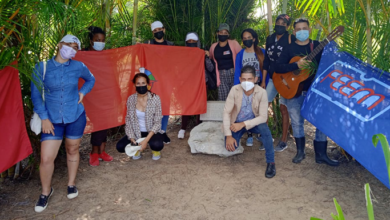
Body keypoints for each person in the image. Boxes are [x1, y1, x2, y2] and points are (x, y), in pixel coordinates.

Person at [31, 35, 95, 212]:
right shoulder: (42, 67)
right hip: (51, 120)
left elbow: (91, 79)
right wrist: (44, 117)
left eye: (75, 47)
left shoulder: (78, 66)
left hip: (75, 116)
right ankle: (45, 192)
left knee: (72, 149)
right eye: (69, 45)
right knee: (46, 158)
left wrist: (82, 93)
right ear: (59, 45)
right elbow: (36, 95)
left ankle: (71, 184)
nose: (71, 49)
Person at [274, 18, 339, 166]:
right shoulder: (288, 48)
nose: (302, 31)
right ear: (294, 31)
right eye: (298, 29)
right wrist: (296, 64)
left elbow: (330, 65)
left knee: (321, 122)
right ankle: (300, 152)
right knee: (297, 123)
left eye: (305, 28)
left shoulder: (317, 46)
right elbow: (278, 68)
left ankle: (321, 154)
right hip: (294, 91)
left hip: (315, 91)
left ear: (309, 30)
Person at [223, 65, 276, 178]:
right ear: (240, 79)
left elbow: (262, 117)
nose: (246, 82)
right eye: (244, 79)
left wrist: (243, 124)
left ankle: (271, 162)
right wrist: (228, 136)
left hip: (253, 123)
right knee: (231, 148)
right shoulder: (234, 90)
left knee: (265, 130)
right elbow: (226, 113)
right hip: (237, 123)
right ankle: (239, 135)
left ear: (256, 79)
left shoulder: (262, 92)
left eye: (250, 79)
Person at [262, 14, 295, 152]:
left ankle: (283, 140)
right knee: (264, 106)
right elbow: (266, 61)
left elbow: (295, 58)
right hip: (271, 78)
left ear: (287, 26)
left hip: (286, 79)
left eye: (284, 23)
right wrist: (263, 80)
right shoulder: (270, 38)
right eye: (278, 22)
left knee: (283, 108)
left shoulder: (290, 38)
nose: (280, 25)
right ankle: (266, 137)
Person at [83, 26, 113, 166]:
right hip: (89, 95)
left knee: (105, 123)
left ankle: (102, 151)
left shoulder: (106, 55)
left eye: (102, 40)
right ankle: (94, 152)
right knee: (97, 124)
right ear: (91, 41)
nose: (100, 42)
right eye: (97, 40)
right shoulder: (83, 54)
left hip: (105, 94)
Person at [116, 73, 165, 160]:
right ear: (134, 85)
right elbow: (128, 120)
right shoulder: (131, 99)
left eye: (143, 83)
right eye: (138, 83)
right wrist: (132, 138)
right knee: (120, 147)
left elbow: (157, 122)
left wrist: (145, 141)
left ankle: (155, 150)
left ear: (147, 84)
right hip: (136, 132)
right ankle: (137, 149)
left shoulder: (155, 98)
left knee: (157, 145)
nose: (141, 85)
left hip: (151, 132)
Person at [233, 28, 267, 147]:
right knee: (247, 111)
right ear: (242, 40)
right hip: (245, 86)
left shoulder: (261, 52)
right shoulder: (240, 54)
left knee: (259, 110)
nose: (247, 40)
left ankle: (262, 135)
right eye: (245, 38)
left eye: (249, 38)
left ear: (254, 38)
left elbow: (265, 68)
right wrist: (237, 87)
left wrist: (264, 82)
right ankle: (249, 135)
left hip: (258, 85)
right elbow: (238, 71)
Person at [178, 32, 215, 139]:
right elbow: (179, 70)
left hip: (201, 84)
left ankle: (198, 127)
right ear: (186, 43)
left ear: (197, 42)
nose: (191, 43)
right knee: (186, 105)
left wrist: (206, 57)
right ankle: (183, 128)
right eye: (189, 42)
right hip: (187, 85)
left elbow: (211, 68)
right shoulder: (182, 55)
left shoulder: (202, 53)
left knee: (200, 105)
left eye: (194, 42)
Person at [144, 20, 173, 144]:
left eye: (159, 30)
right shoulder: (147, 44)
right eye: (155, 31)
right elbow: (142, 60)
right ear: (152, 33)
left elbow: (177, 61)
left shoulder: (171, 45)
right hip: (153, 81)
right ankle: (152, 133)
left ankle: (163, 132)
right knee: (152, 108)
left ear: (164, 30)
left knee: (165, 107)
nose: (158, 32)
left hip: (167, 80)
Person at [209, 23, 242, 101]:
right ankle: (225, 113)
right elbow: (211, 57)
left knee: (236, 98)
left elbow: (241, 56)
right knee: (223, 99)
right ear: (218, 33)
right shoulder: (213, 46)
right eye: (221, 32)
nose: (223, 34)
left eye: (225, 33)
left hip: (234, 74)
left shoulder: (234, 43)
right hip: (221, 75)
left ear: (228, 34)